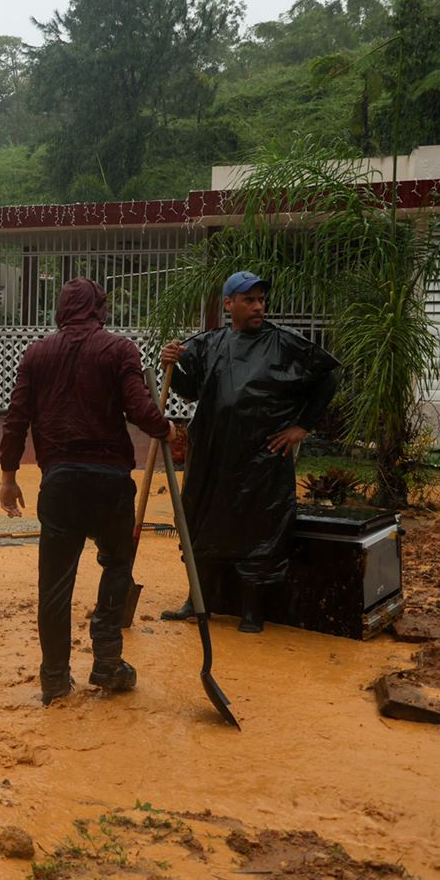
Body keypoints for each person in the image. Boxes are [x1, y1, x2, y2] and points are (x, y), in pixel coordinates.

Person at [0, 278, 175, 706]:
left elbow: (16, 418)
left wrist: (8, 476)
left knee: (54, 585)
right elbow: (139, 408)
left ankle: (55, 679)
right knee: (117, 563)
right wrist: (165, 428)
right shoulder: (119, 349)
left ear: (62, 310)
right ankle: (107, 661)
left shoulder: (36, 354)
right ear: (100, 309)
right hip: (109, 482)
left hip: (60, 484)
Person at [158, 270, 339, 633]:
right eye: (249, 300)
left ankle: (252, 611)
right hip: (212, 456)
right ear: (229, 305)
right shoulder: (208, 344)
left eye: (261, 300)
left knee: (259, 530)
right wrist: (170, 365)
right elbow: (190, 389)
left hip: (261, 458)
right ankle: (197, 600)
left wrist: (302, 426)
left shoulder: (285, 343)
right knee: (201, 524)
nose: (259, 306)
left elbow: (328, 375)